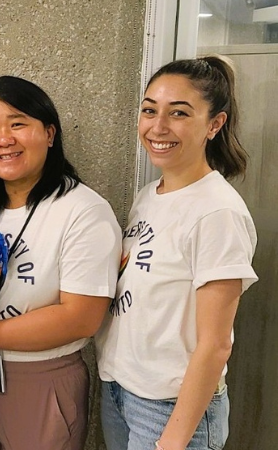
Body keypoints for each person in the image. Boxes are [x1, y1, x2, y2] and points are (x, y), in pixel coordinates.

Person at [96, 56, 257, 450]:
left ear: (214, 124)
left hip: (170, 409)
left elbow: (216, 344)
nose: (158, 127)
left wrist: (173, 440)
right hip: (120, 391)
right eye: (149, 110)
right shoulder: (149, 196)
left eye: (179, 113)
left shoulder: (218, 211)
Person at [0, 76, 122, 450]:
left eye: (17, 124)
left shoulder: (83, 211)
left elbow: (80, 317)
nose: (4, 139)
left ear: (49, 133)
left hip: (40, 380)